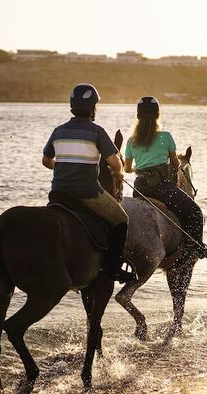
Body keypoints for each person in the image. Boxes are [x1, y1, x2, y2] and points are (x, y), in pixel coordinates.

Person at [42, 83, 137, 283]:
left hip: (58, 193)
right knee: (122, 221)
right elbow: (114, 162)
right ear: (93, 108)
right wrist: (118, 173)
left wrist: (63, 168)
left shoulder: (58, 131)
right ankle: (113, 269)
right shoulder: (96, 132)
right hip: (87, 193)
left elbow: (46, 161)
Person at [124, 96, 207, 260]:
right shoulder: (165, 137)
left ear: (138, 117)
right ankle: (197, 248)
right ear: (158, 115)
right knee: (195, 212)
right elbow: (175, 163)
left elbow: (127, 169)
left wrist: (140, 167)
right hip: (162, 188)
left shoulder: (131, 141)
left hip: (139, 188)